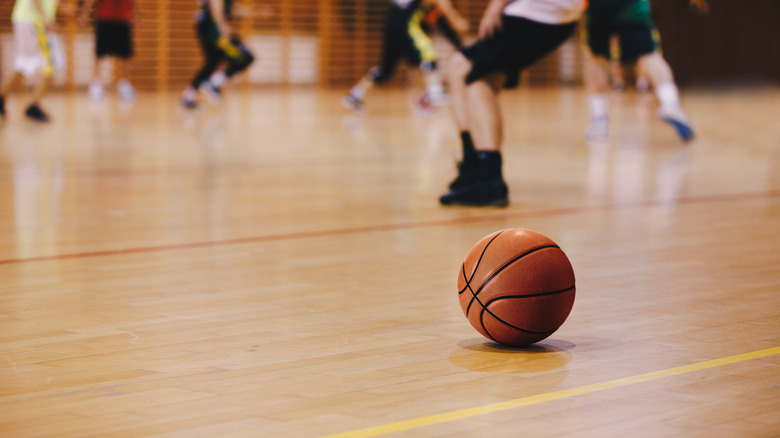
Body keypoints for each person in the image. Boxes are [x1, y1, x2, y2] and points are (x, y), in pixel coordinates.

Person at [438, 0, 584, 207]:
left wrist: (494, 8)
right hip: (555, 14)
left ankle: (490, 179)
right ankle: (473, 167)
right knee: (459, 66)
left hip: (537, 11)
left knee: (480, 80)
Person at [583, 0, 709, 142]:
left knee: (597, 59)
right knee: (648, 56)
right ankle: (670, 104)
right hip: (632, 6)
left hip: (600, 5)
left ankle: (600, 123)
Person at [341, 0, 469, 112]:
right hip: (405, 27)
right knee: (427, 53)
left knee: (388, 70)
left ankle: (355, 94)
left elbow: (440, 21)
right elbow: (443, 5)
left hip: (392, 29)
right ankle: (435, 93)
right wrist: (457, 20)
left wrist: (457, 43)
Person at [0, 0, 67, 122]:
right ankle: (33, 105)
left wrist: (66, 9)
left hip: (26, 20)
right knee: (53, 62)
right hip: (34, 21)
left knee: (24, 63)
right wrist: (46, 19)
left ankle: (2, 96)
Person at [181, 0, 256, 109]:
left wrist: (252, 12)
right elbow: (215, 3)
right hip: (213, 30)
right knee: (246, 57)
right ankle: (213, 83)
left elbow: (229, 8)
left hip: (205, 27)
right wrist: (222, 25)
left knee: (212, 61)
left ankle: (188, 97)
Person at [78, 0, 138, 101]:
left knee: (126, 54)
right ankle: (96, 84)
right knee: (100, 53)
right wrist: (85, 13)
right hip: (104, 19)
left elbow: (135, 2)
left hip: (123, 20)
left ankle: (124, 84)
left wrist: (137, 15)